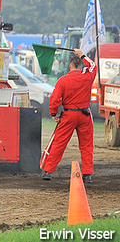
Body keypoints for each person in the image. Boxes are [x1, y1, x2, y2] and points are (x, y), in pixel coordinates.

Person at [41, 48, 96, 183]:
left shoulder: (63, 80)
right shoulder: (87, 77)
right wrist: (81, 54)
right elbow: (93, 65)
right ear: (81, 66)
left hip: (68, 115)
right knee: (86, 146)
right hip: (84, 114)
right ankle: (87, 174)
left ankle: (48, 172)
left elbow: (54, 99)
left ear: (70, 66)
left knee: (59, 144)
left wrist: (53, 113)